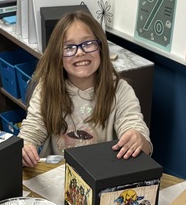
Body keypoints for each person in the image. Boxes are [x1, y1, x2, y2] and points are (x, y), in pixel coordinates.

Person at [18, 9, 151, 167]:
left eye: (88, 44)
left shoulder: (120, 90)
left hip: (103, 174)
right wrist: (26, 146)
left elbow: (136, 129)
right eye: (69, 48)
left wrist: (137, 138)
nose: (80, 52)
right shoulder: (47, 88)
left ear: (101, 48)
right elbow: (33, 128)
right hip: (57, 176)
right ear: (58, 56)